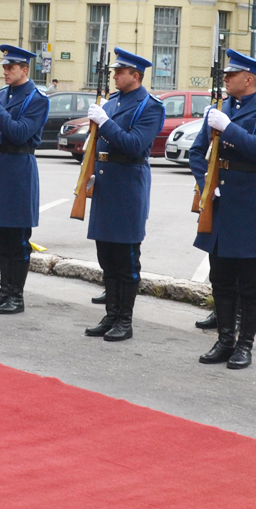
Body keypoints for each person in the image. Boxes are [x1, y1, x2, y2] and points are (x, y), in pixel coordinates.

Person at [188, 49, 256, 370]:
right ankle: (225, 339)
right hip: (221, 200)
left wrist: (229, 128)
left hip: (251, 201)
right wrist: (207, 181)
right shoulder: (220, 108)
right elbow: (196, 153)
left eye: (231, 75)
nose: (226, 79)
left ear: (249, 79)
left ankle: (245, 344)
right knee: (220, 277)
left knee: (249, 280)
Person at [80, 49, 166, 339]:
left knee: (126, 258)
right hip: (106, 182)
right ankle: (111, 315)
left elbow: (133, 144)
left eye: (120, 72)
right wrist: (88, 172)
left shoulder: (149, 106)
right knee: (106, 256)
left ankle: (125, 321)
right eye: (114, 71)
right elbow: (99, 145)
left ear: (136, 76)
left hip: (128, 186)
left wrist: (105, 122)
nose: (114, 75)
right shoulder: (114, 101)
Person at [0, 45, 51, 315]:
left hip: (20, 169)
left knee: (18, 238)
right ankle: (4, 290)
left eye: (11, 67)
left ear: (25, 70)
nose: (5, 71)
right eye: (4, 67)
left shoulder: (36, 99)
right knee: (0, 236)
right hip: (0, 168)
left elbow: (20, 133)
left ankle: (16, 296)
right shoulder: (4, 94)